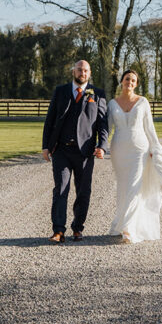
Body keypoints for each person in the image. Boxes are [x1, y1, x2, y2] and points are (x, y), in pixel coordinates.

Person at [107, 69, 162, 243]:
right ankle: (121, 223)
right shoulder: (112, 104)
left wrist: (154, 148)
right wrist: (100, 146)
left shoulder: (143, 102)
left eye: (133, 80)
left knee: (135, 185)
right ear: (122, 81)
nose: (130, 83)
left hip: (139, 150)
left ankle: (128, 228)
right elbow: (107, 128)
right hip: (119, 150)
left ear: (137, 84)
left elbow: (150, 128)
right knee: (123, 186)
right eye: (127, 79)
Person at [41, 60, 108, 243]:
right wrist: (46, 146)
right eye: (79, 70)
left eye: (86, 70)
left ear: (90, 72)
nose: (82, 73)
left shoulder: (98, 94)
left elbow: (102, 124)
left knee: (83, 191)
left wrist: (102, 146)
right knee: (60, 189)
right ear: (73, 71)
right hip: (61, 150)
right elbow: (50, 120)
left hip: (85, 152)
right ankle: (58, 231)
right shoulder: (60, 91)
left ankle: (78, 228)